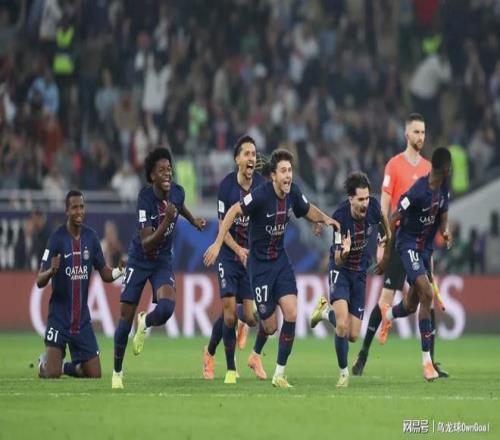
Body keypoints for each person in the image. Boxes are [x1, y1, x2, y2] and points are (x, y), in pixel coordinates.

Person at [204, 148, 340, 388]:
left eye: (290, 171)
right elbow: (233, 211)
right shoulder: (260, 195)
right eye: (283, 171)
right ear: (274, 176)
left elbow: (307, 209)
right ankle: (247, 323)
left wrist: (324, 219)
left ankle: (279, 374)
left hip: (280, 261)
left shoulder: (293, 192)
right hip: (259, 266)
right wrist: (217, 243)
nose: (288, 175)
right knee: (269, 326)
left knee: (291, 313)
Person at [352, 113, 448, 378]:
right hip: (398, 240)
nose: (421, 137)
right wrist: (383, 239)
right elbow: (385, 203)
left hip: (421, 244)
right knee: (384, 300)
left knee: (426, 298)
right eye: (416, 132)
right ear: (407, 134)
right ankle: (363, 354)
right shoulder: (394, 165)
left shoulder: (430, 168)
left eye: (423, 132)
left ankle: (431, 362)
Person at [112, 147, 206, 389]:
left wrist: (193, 220)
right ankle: (117, 372)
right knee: (125, 317)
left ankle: (146, 322)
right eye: (162, 170)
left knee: (166, 308)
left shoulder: (178, 191)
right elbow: (146, 242)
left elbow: (179, 205)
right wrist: (166, 221)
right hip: (139, 258)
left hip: (162, 260)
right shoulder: (145, 199)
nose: (167, 173)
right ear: (152, 175)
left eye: (169, 169)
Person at [377, 147, 452, 381]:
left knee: (412, 304)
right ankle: (427, 362)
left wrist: (445, 231)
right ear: (445, 169)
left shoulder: (444, 188)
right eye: (450, 167)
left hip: (425, 249)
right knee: (427, 294)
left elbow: (443, 215)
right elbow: (393, 217)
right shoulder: (418, 191)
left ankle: (388, 315)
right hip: (407, 245)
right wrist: (387, 255)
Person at [310, 172, 389, 387]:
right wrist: (344, 252)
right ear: (351, 199)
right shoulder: (340, 218)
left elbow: (382, 218)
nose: (365, 203)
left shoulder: (373, 207)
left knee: (353, 335)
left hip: (360, 271)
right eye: (360, 199)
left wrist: (387, 240)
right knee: (342, 325)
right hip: (341, 270)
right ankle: (343, 373)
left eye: (367, 198)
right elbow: (337, 258)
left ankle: (325, 311)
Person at [37, 190, 126, 379]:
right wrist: (50, 271)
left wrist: (119, 270)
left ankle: (65, 367)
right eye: (74, 207)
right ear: (67, 211)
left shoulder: (91, 238)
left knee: (94, 374)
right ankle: (44, 364)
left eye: (82, 207)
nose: (79, 211)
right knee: (51, 374)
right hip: (59, 318)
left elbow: (105, 273)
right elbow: (39, 281)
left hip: (82, 320)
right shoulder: (56, 238)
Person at [203, 136, 269, 383]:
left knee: (250, 317)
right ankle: (229, 368)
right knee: (229, 314)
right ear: (237, 159)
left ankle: (214, 346)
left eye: (254, 154)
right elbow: (224, 225)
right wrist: (237, 249)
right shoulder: (226, 187)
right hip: (229, 256)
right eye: (247, 154)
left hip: (249, 259)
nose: (252, 158)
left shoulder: (262, 185)